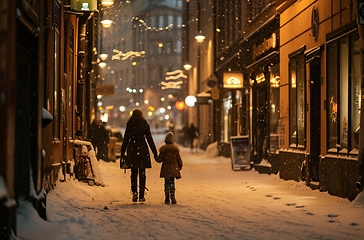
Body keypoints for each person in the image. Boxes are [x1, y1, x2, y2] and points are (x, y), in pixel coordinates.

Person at [120, 109, 158, 202]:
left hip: (132, 147)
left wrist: (122, 151)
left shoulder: (130, 123)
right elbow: (149, 138)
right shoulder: (144, 123)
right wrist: (154, 152)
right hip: (142, 148)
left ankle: (134, 192)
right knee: (142, 172)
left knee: (133, 172)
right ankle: (141, 195)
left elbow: (126, 138)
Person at [156, 132, 183, 204]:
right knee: (172, 182)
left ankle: (167, 197)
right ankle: (173, 196)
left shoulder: (163, 150)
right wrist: (180, 166)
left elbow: (159, 160)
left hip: (166, 169)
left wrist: (155, 156)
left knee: (166, 183)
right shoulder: (175, 151)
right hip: (173, 169)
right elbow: (179, 159)